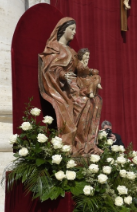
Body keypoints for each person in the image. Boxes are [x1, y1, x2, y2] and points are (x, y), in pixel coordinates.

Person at [38, 17, 103, 156]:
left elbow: (79, 69)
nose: (74, 32)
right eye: (71, 29)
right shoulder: (54, 47)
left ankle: (87, 145)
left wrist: (90, 75)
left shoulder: (73, 52)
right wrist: (62, 75)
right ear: (62, 30)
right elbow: (50, 68)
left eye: (75, 29)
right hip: (63, 88)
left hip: (75, 84)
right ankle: (76, 144)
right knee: (83, 101)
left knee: (96, 101)